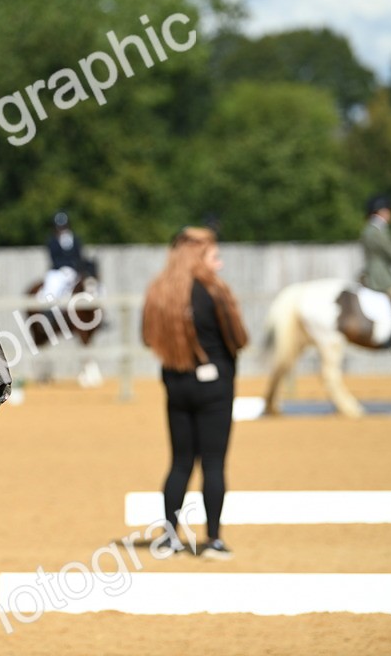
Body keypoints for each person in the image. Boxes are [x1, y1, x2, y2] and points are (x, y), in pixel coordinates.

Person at [141, 227, 248, 560]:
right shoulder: (213, 291)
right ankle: (213, 540)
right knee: (214, 464)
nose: (220, 262)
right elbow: (239, 338)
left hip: (176, 383)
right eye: (214, 255)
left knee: (179, 463)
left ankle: (169, 537)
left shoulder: (159, 291)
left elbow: (147, 337)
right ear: (200, 256)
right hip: (215, 386)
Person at [40, 211, 85, 301]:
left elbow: (79, 257)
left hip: (73, 272)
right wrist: (62, 268)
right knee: (49, 293)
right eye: (60, 227)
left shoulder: (75, 240)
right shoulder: (52, 241)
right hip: (58, 272)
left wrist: (75, 269)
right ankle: (49, 312)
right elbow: (54, 258)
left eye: (64, 226)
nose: (62, 229)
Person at [360, 195, 391, 302]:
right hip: (380, 275)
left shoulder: (375, 229)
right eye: (388, 211)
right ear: (381, 212)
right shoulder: (375, 232)